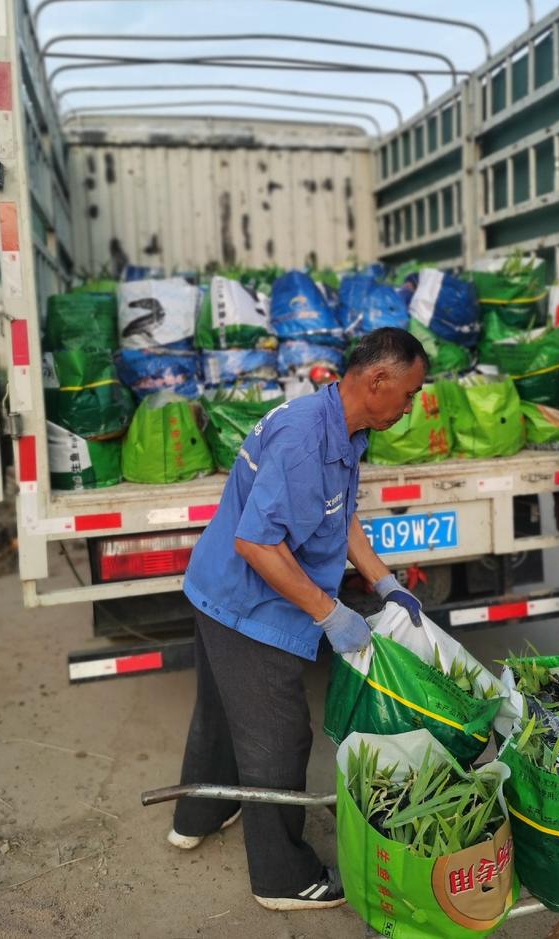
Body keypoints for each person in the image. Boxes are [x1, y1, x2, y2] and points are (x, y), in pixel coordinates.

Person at [168, 327, 428, 911]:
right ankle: (283, 880)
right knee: (278, 739)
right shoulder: (305, 440)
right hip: (247, 604)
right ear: (377, 380)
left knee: (221, 716)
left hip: (219, 589)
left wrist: (382, 580)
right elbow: (257, 546)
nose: (409, 408)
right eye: (408, 395)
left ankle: (200, 815)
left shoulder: (342, 427)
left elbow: (340, 515)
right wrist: (330, 613)